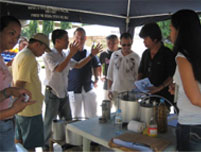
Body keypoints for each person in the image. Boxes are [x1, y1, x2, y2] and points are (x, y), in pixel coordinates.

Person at [43, 29, 102, 150]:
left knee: (68, 121)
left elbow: (78, 65)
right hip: (52, 92)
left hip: (63, 92)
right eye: (65, 39)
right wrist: (71, 54)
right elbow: (58, 69)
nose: (68, 41)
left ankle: (67, 145)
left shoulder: (64, 54)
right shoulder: (49, 55)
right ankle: (46, 148)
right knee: (50, 123)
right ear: (57, 41)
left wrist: (91, 55)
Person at [0, 15, 34, 151]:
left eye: (18, 36)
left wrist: (9, 92)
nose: (15, 39)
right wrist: (13, 110)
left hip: (6, 122)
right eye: (11, 33)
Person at [12, 33, 50, 151]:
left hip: (22, 110)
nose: (43, 52)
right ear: (37, 44)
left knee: (20, 143)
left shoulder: (21, 54)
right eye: (43, 49)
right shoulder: (29, 57)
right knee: (29, 146)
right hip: (29, 110)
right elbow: (19, 84)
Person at [170, 9, 201, 151]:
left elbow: (195, 98)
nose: (169, 34)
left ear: (180, 31)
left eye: (171, 29)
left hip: (191, 125)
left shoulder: (183, 57)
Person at [138, 23, 176, 108]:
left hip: (163, 99)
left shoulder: (167, 54)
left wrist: (158, 88)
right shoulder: (145, 53)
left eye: (146, 38)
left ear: (155, 39)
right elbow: (140, 71)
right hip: (147, 97)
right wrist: (138, 84)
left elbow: (172, 76)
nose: (144, 41)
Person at [68, 27, 102, 118]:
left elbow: (96, 66)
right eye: (77, 37)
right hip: (73, 88)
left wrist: (96, 78)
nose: (80, 40)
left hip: (88, 87)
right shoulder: (68, 53)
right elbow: (76, 65)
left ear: (85, 38)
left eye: (82, 38)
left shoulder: (90, 52)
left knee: (92, 114)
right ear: (73, 38)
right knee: (75, 116)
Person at [107, 32, 140, 110]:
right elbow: (110, 74)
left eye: (129, 45)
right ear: (120, 43)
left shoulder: (136, 57)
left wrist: (137, 92)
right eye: (124, 45)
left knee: (130, 115)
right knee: (118, 116)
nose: (126, 47)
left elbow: (138, 76)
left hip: (130, 92)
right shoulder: (114, 55)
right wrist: (109, 90)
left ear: (132, 42)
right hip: (116, 91)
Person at [99, 34, 119, 99]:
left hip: (119, 82)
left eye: (113, 43)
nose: (111, 45)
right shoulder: (103, 54)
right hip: (107, 82)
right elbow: (100, 65)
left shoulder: (122, 52)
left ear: (118, 42)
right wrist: (101, 75)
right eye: (108, 43)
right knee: (106, 104)